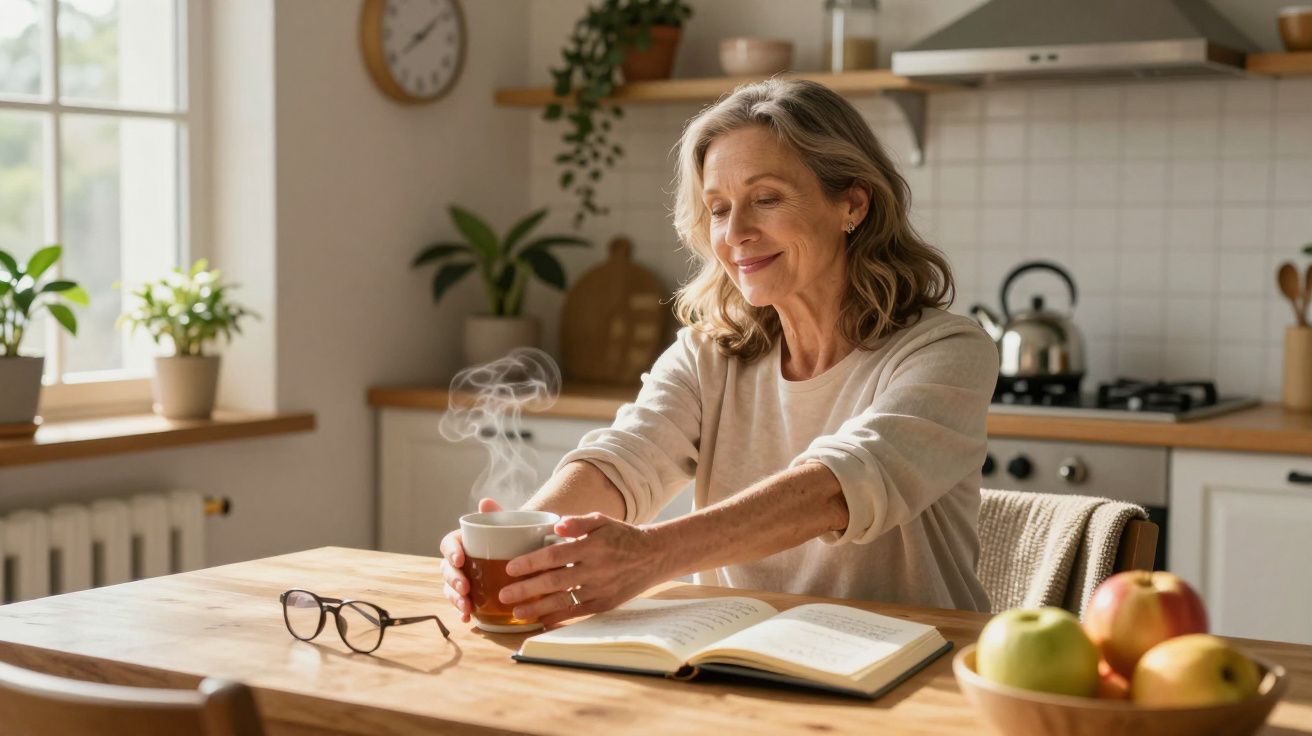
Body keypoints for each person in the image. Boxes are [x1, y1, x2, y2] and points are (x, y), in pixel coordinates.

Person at [440, 78, 998, 629]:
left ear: (851, 203)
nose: (735, 233)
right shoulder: (709, 354)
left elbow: (840, 487)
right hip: (740, 657)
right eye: (718, 208)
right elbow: (625, 459)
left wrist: (651, 555)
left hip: (916, 662)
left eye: (766, 199)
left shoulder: (946, 352)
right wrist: (522, 543)